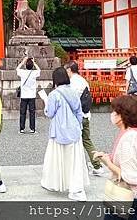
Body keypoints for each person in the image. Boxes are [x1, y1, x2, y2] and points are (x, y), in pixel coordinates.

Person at [93, 95, 137, 220]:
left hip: (133, 201)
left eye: (114, 111)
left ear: (122, 115)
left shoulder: (128, 140)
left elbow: (132, 178)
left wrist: (107, 163)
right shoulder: (135, 132)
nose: (112, 114)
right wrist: (106, 157)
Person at [41, 67, 89, 202]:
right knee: (74, 161)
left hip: (59, 131)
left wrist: (46, 102)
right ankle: (76, 189)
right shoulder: (73, 92)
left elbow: (49, 113)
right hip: (74, 130)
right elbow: (79, 112)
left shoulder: (54, 94)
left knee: (56, 159)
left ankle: (54, 183)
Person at [66, 61, 106, 176]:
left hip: (76, 117)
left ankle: (78, 167)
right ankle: (97, 166)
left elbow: (72, 101)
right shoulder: (83, 81)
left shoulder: (72, 83)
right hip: (86, 115)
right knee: (87, 141)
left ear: (69, 70)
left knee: (74, 143)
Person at [16, 57, 40, 134]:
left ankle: (21, 129)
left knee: (22, 112)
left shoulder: (22, 72)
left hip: (24, 95)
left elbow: (17, 69)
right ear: (32, 66)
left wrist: (23, 62)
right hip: (32, 95)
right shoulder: (34, 73)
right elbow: (39, 70)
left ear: (26, 66)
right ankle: (32, 128)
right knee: (32, 112)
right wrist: (34, 62)